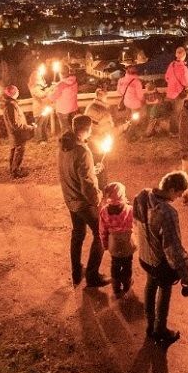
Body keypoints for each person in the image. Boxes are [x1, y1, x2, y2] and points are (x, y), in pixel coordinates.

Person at [133, 171, 188, 346]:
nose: (180, 196)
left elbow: (136, 221)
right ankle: (160, 330)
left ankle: (150, 324)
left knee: (150, 284)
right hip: (159, 263)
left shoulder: (142, 197)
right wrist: (185, 276)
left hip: (145, 258)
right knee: (164, 288)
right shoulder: (167, 213)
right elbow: (172, 248)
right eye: (179, 192)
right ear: (171, 189)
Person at [58, 114, 110, 288]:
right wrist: (98, 198)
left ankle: (76, 272)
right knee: (101, 233)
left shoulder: (65, 145)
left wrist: (92, 170)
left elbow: (75, 171)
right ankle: (92, 275)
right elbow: (87, 185)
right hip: (83, 202)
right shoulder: (82, 150)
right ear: (86, 130)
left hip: (70, 198)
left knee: (78, 234)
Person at [98, 181, 136, 297]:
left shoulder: (104, 211)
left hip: (113, 244)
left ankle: (116, 288)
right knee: (127, 264)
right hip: (128, 244)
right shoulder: (130, 209)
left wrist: (105, 244)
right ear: (121, 195)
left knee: (115, 264)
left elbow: (102, 231)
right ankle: (126, 285)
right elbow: (138, 223)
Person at [1, 85, 33, 178]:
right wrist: (28, 127)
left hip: (14, 133)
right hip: (17, 134)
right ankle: (15, 172)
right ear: (13, 93)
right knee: (19, 151)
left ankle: (13, 169)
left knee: (14, 150)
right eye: (16, 90)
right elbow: (15, 124)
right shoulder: (11, 106)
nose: (18, 90)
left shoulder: (9, 104)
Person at [165, 46, 188, 134]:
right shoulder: (183, 68)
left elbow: (166, 77)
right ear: (184, 55)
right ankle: (175, 132)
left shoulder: (171, 65)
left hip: (170, 92)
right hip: (178, 93)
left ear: (176, 54)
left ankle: (172, 130)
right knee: (177, 113)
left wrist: (172, 84)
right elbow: (187, 82)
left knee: (173, 112)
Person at [27, 63, 55, 142]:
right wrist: (50, 89)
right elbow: (41, 95)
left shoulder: (42, 86)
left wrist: (51, 88)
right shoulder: (34, 87)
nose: (41, 77)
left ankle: (45, 139)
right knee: (39, 125)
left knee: (44, 125)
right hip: (39, 109)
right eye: (39, 75)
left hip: (45, 107)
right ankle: (39, 140)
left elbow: (45, 93)